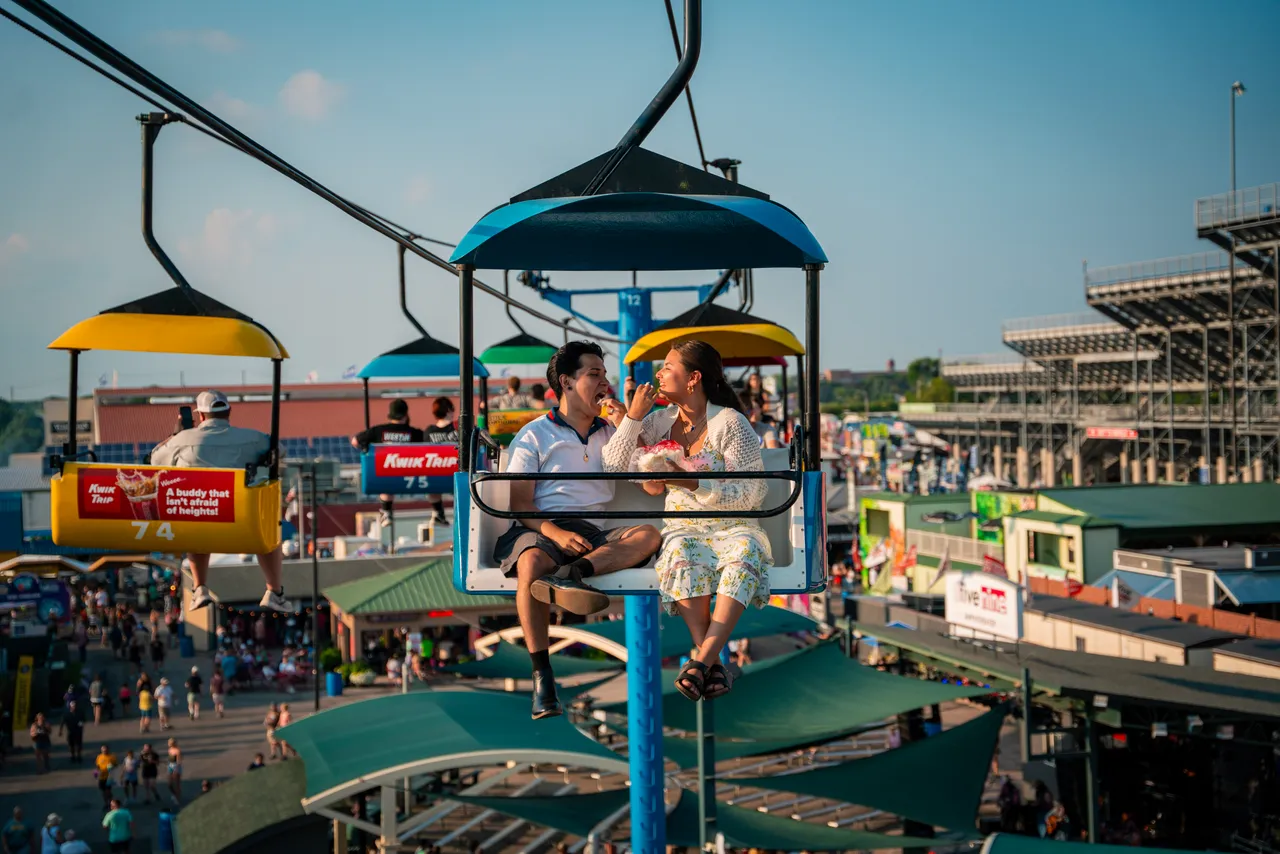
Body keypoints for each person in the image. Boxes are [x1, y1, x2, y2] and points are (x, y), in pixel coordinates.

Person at [493, 341, 662, 719]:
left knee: (648, 536)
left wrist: (627, 424)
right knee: (532, 561)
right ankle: (543, 676)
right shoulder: (535, 434)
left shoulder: (610, 432)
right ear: (567, 383)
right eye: (594, 375)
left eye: (605, 375)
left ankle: (572, 576)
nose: (605, 383)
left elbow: (653, 486)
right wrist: (555, 533)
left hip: (593, 534)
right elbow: (521, 503)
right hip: (544, 526)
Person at [603, 341, 773, 701]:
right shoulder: (658, 422)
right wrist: (631, 418)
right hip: (685, 524)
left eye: (667, 367)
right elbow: (616, 465)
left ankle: (701, 661)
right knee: (681, 552)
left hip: (733, 523)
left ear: (693, 378)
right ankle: (709, 664)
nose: (659, 374)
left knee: (743, 552)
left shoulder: (730, 422)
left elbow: (751, 493)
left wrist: (684, 479)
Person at [151, 390, 292, 612]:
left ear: (201, 416)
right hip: (243, 526)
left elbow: (154, 459)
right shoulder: (253, 438)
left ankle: (200, 588)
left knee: (198, 516)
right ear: (228, 412)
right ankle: (274, 591)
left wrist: (176, 434)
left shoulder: (181, 441)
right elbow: (280, 451)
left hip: (202, 526)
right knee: (269, 530)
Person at [351, 397, 426, 530]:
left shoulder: (378, 431)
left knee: (386, 471)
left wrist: (367, 449)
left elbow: (355, 441)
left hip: (386, 477)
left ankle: (386, 511)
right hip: (411, 476)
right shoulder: (415, 433)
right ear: (406, 415)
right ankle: (439, 512)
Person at [423, 397, 459, 523]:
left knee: (430, 481)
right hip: (456, 473)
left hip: (435, 475)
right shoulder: (458, 428)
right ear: (449, 410)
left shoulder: (428, 432)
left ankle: (438, 511)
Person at [95, 744, 117, 810]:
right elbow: (97, 766)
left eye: (105, 750)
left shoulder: (112, 757)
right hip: (101, 777)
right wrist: (96, 772)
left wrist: (112, 767)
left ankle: (110, 803)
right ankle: (106, 803)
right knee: (103, 792)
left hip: (109, 777)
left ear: (108, 750)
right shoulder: (99, 757)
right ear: (101, 750)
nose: (104, 751)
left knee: (108, 791)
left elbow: (116, 765)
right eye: (103, 750)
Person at [166, 738, 183, 806]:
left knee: (176, 784)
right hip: (170, 766)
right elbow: (170, 759)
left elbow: (179, 761)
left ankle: (177, 798)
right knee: (169, 784)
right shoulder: (170, 750)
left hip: (176, 767)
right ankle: (174, 794)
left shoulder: (177, 750)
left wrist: (175, 769)